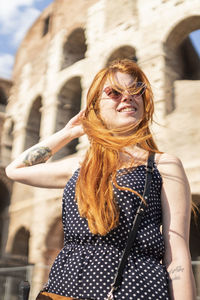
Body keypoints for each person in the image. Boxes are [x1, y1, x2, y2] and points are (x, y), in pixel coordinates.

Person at [6, 59, 196, 300]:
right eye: (114, 92)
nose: (128, 97)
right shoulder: (80, 166)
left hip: (135, 291)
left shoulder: (162, 164)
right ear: (95, 107)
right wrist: (69, 132)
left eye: (136, 91)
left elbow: (177, 255)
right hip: (64, 291)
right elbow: (15, 169)